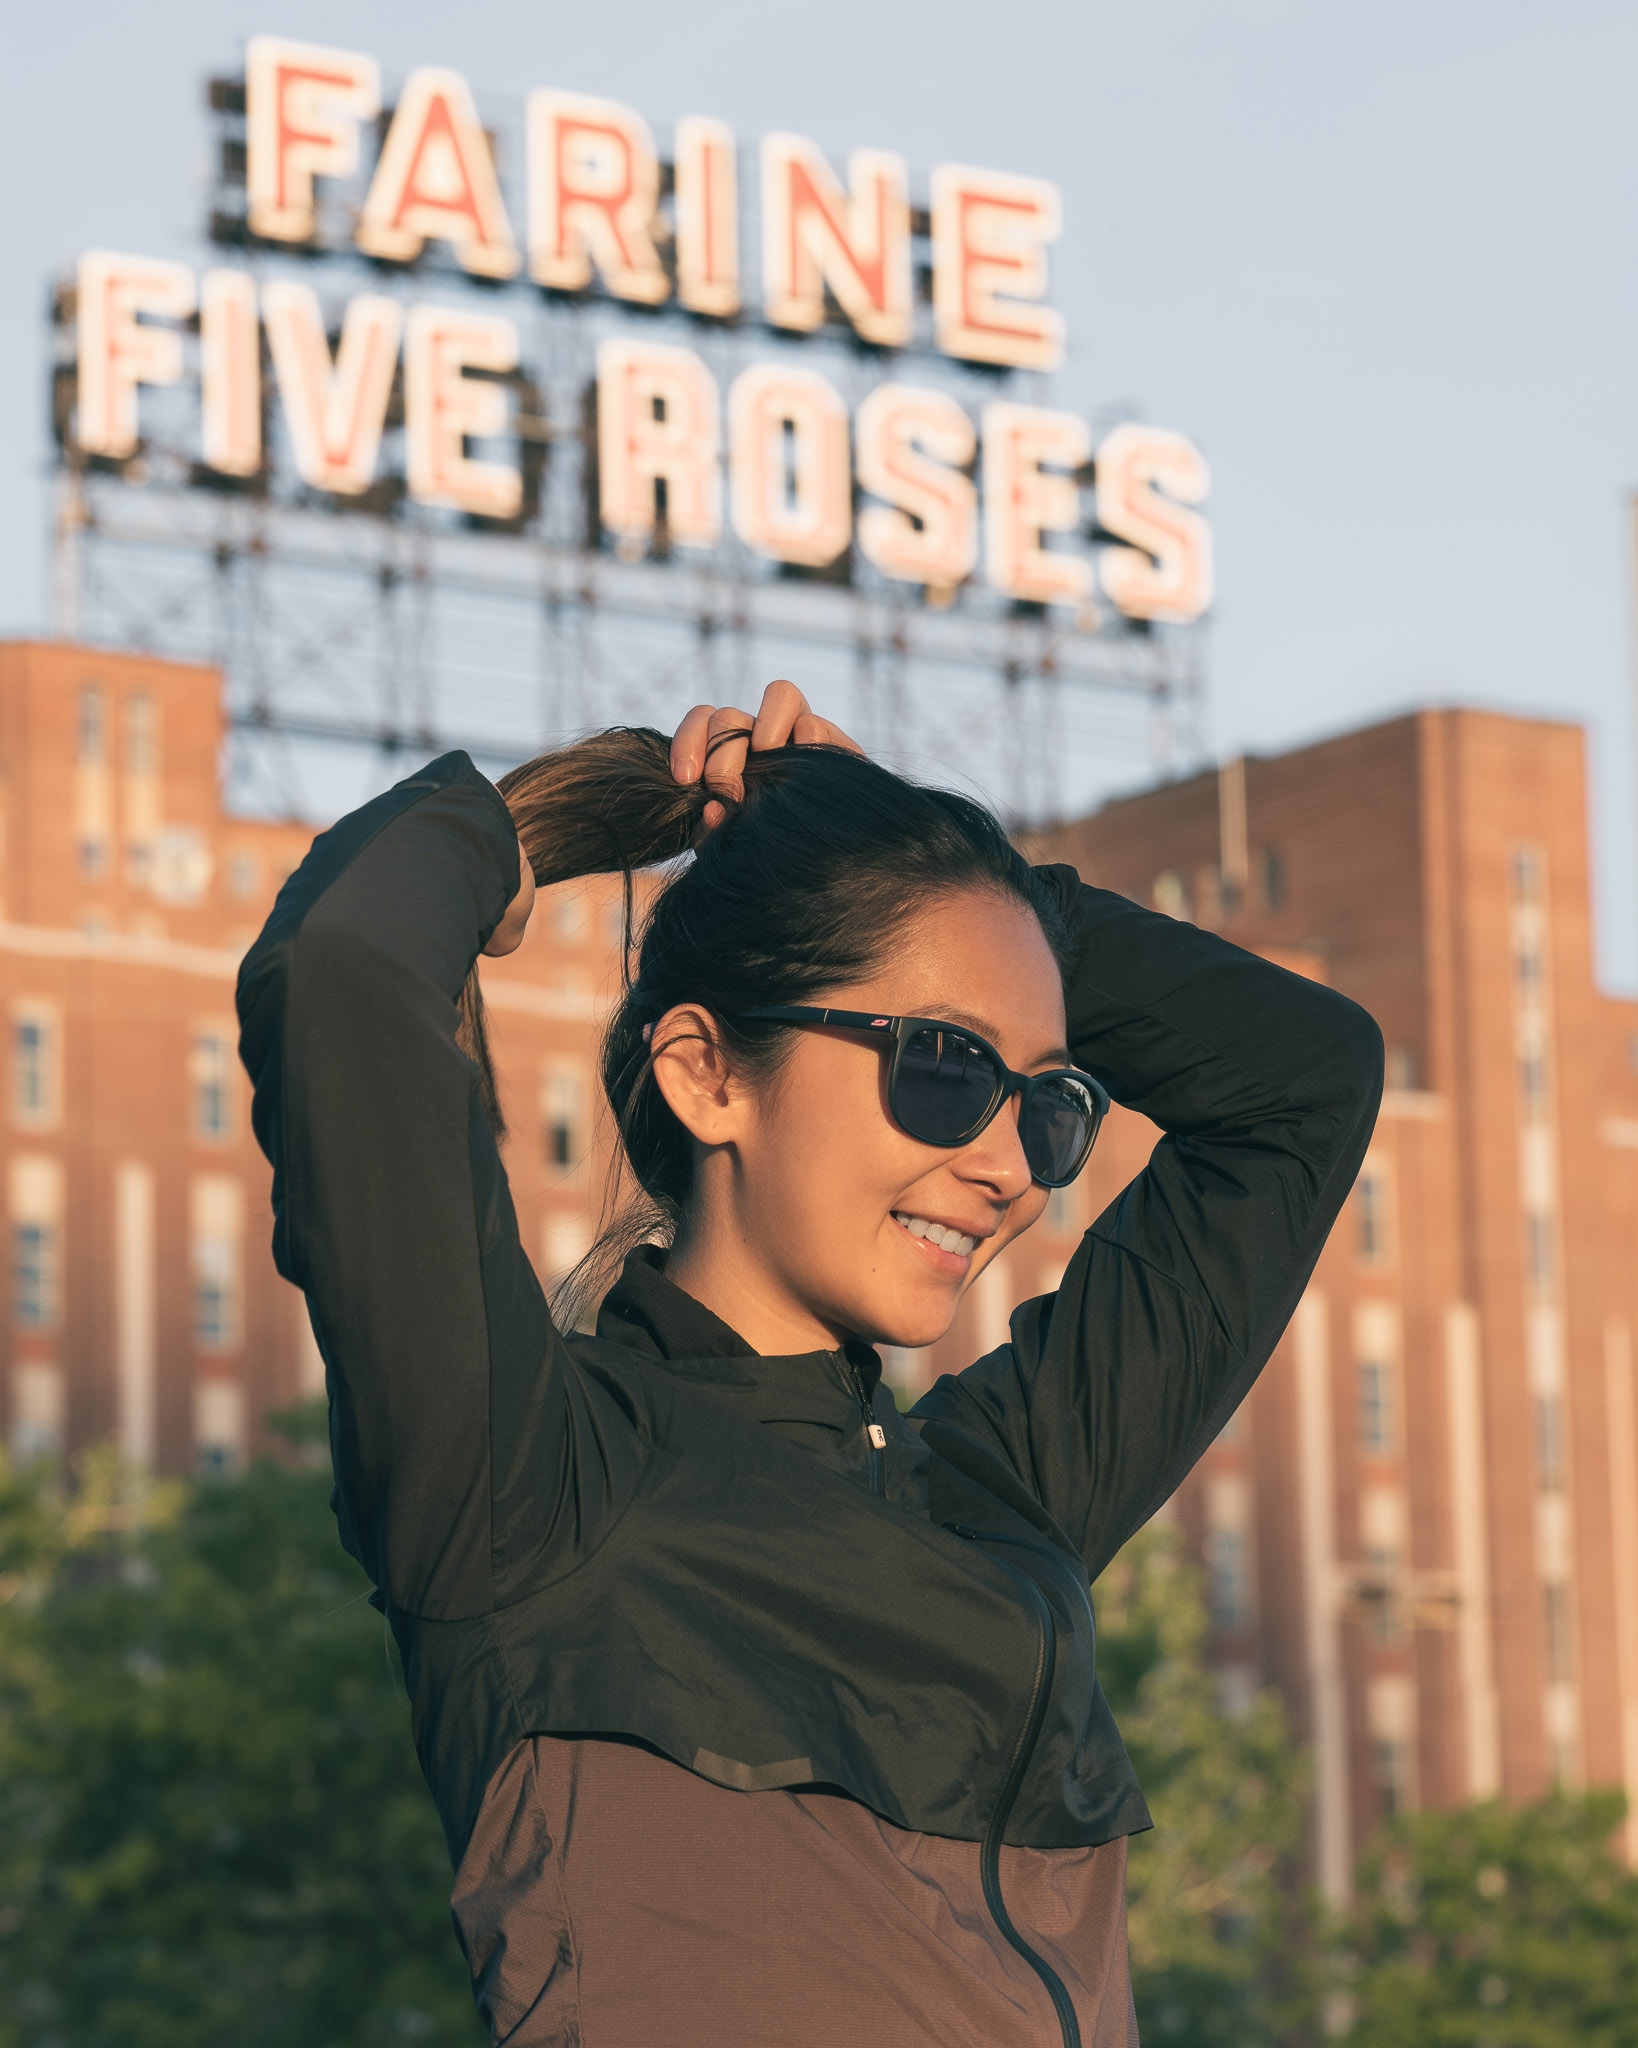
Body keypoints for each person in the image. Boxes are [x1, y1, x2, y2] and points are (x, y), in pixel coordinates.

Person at [238, 680, 1382, 2048]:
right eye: (947, 1068)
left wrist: (940, 873)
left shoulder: (1003, 1495)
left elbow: (1302, 1082)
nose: (1009, 1164)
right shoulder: (525, 1481)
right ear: (706, 1071)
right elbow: (349, 965)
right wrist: (535, 827)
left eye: (1050, 1103)